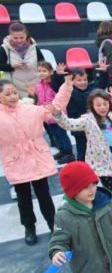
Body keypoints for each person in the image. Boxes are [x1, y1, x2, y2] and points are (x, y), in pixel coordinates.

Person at [0, 76, 72, 245]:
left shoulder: (30, 109)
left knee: (44, 195)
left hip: (37, 158)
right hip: (15, 162)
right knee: (23, 198)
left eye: (14, 92)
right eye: (7, 93)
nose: (12, 96)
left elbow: (55, 107)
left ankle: (53, 226)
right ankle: (29, 227)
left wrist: (67, 86)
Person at [51, 62, 110, 161]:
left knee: (98, 148)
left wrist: (104, 72)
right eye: (79, 80)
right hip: (78, 127)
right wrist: (58, 75)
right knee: (82, 150)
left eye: (85, 80)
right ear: (72, 81)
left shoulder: (92, 88)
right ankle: (83, 166)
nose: (83, 82)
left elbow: (102, 83)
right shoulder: (69, 90)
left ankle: (98, 165)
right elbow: (56, 87)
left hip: (94, 125)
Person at [34, 61, 75, 164]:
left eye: (44, 71)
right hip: (47, 115)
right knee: (55, 134)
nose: (41, 73)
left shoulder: (55, 83)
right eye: (39, 71)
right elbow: (39, 99)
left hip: (57, 115)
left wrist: (58, 74)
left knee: (62, 134)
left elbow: (61, 92)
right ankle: (62, 150)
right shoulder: (38, 85)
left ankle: (69, 153)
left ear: (51, 72)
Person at [0, 22, 45, 97]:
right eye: (15, 38)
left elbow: (42, 63)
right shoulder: (4, 49)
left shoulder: (33, 47)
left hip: (34, 85)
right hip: (14, 89)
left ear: (26, 35)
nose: (19, 40)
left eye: (22, 37)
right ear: (10, 36)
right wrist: (12, 66)